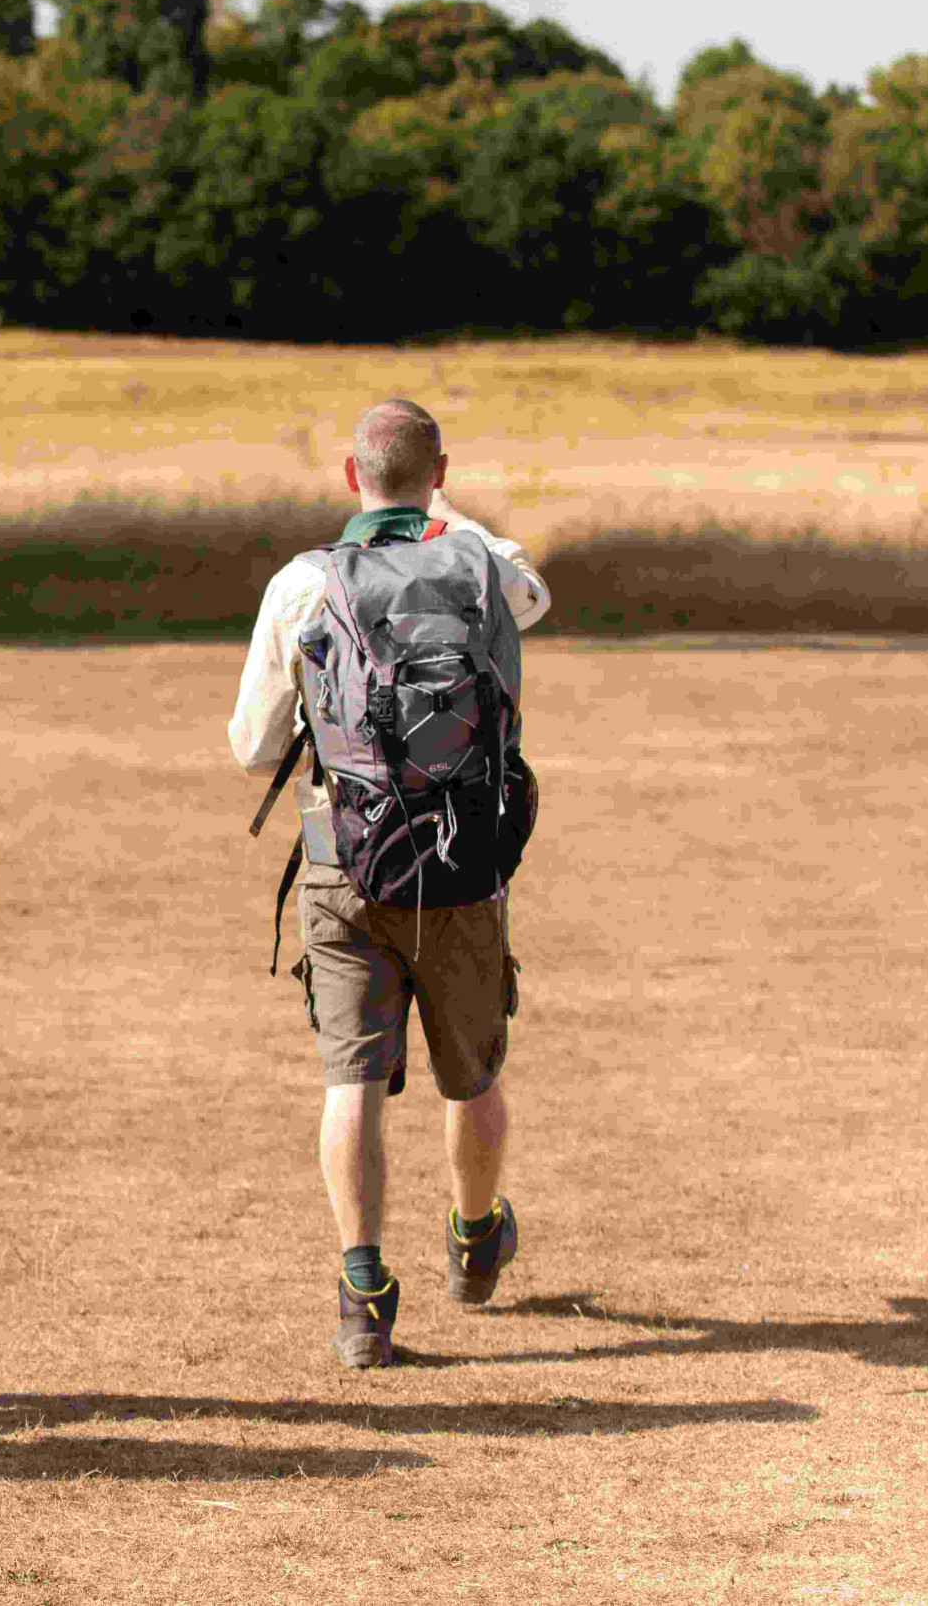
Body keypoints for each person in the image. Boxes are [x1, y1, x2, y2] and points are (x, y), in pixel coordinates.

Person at [228, 400, 552, 1368]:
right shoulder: (487, 570)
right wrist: (454, 515)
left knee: (351, 1077)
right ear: (438, 470)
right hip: (464, 861)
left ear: (345, 474)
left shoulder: (304, 582)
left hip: (343, 857)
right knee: (474, 1068)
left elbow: (251, 748)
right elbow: (530, 584)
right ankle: (473, 1231)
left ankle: (361, 1289)